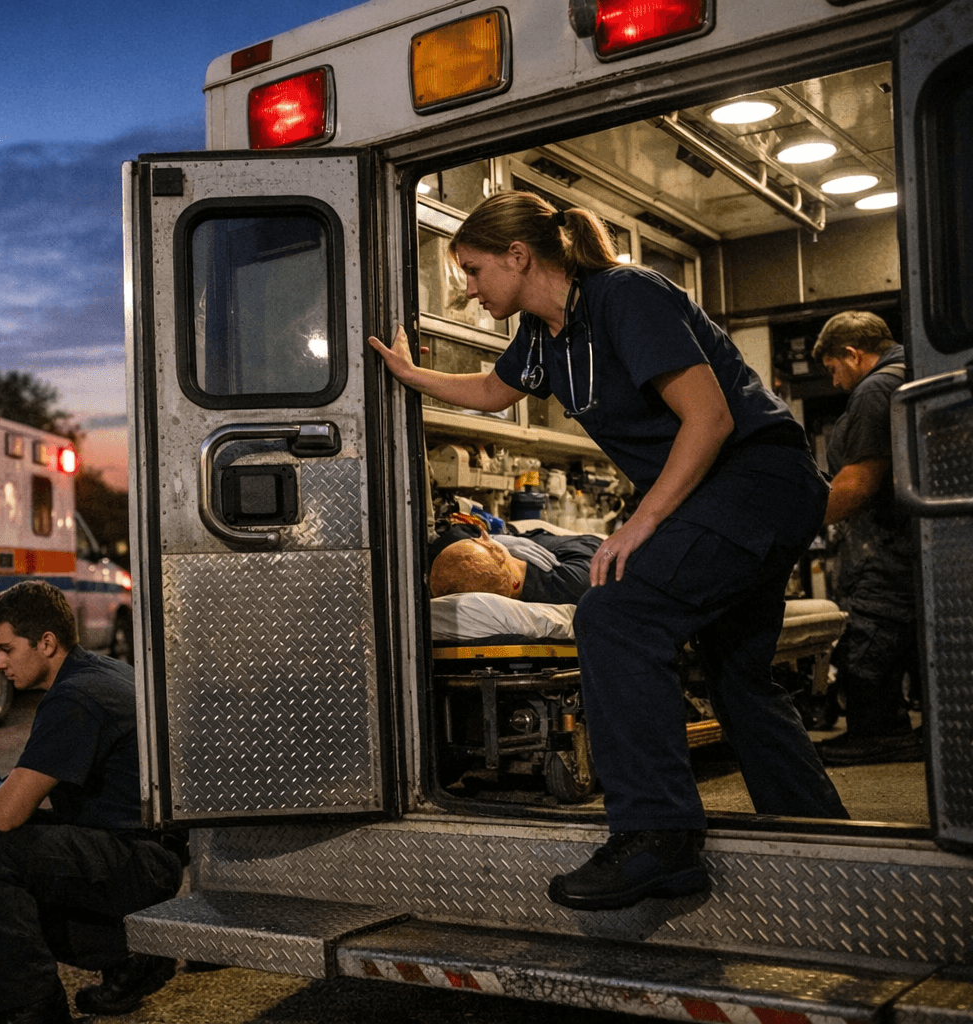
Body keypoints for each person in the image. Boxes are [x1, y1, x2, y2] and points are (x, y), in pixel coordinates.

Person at [368, 190, 848, 911]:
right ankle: (820, 836)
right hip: (722, 495)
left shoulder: (625, 295)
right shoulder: (543, 331)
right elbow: (496, 392)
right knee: (736, 673)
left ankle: (656, 838)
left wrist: (641, 521)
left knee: (615, 615)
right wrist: (412, 377)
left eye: (472, 269)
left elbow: (710, 417)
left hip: (756, 479)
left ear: (518, 256)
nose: (467, 289)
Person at [0, 581, 184, 1024]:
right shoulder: (99, 670)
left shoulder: (75, 698)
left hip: (141, 861)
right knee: (24, 848)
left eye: (6, 649)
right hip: (148, 846)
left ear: (46, 643)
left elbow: (5, 813)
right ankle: (131, 952)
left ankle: (31, 1006)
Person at [810, 311, 919, 765]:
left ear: (853, 354)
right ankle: (894, 729)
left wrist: (793, 528)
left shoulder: (876, 388)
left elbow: (857, 486)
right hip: (912, 546)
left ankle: (876, 733)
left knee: (872, 635)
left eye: (834, 369)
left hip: (888, 548)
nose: (835, 383)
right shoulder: (914, 370)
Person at [430, 529, 600, 604]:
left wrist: (498, 539)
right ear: (496, 552)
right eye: (480, 540)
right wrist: (497, 539)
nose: (483, 535)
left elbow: (444, 542)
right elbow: (605, 549)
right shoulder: (574, 578)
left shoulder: (505, 586)